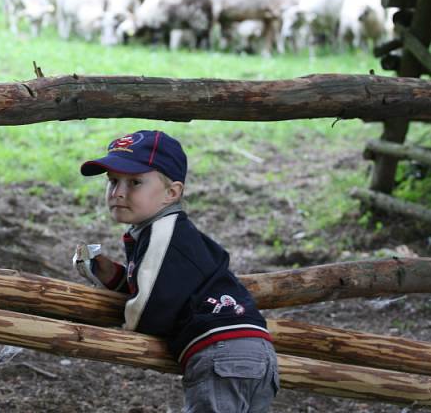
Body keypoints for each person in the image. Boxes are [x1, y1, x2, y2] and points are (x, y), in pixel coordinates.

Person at [74, 130, 279, 413]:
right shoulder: (162, 232)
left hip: (221, 353)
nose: (118, 192)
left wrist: (123, 332)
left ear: (172, 193)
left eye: (134, 182)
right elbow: (166, 288)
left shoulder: (163, 232)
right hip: (250, 352)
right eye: (112, 181)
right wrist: (113, 276)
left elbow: (149, 307)